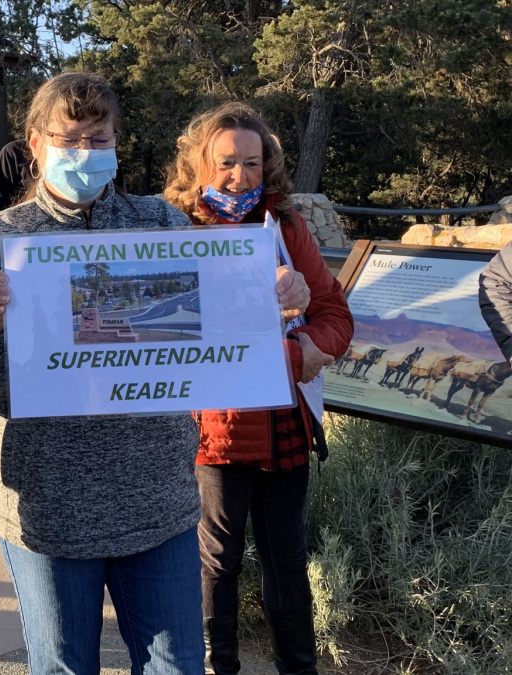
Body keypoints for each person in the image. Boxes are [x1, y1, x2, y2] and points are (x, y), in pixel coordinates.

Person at [0, 73, 311, 674]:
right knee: (65, 668)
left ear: (119, 141)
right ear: (35, 143)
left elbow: (221, 335)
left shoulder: (162, 225)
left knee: (178, 666)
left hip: (158, 506)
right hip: (49, 512)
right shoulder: (2, 238)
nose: (85, 154)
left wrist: (275, 299)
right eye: (69, 140)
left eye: (99, 140)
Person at [163, 102, 353, 675]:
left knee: (287, 558)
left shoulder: (286, 227)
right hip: (214, 431)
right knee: (217, 559)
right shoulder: (175, 230)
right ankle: (217, 667)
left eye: (251, 163)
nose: (239, 177)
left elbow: (335, 316)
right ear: (198, 165)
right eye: (225, 163)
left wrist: (301, 349)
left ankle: (298, 667)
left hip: (283, 423)